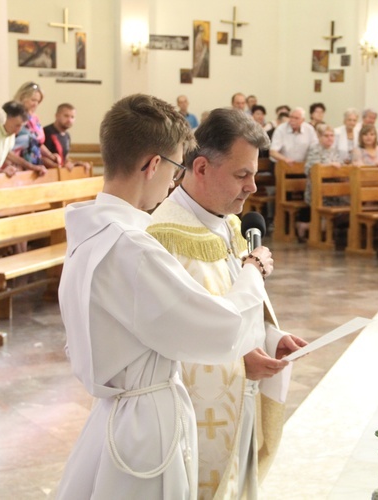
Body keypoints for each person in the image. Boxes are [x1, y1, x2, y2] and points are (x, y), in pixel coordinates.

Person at [55, 94, 269, 498]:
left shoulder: (90, 233)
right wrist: (253, 273)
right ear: (154, 164)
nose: (174, 181)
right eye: (174, 168)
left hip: (114, 415)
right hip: (145, 428)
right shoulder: (130, 247)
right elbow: (219, 328)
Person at [148, 108, 306, 498]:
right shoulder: (163, 238)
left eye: (254, 173)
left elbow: (239, 300)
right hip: (197, 413)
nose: (253, 187)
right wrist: (236, 359)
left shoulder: (230, 223)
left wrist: (270, 335)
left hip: (242, 396)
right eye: (242, 174)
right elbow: (172, 340)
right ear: (200, 168)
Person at [10, 81, 59, 174]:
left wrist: (50, 155)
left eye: (38, 101)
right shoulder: (14, 117)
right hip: (17, 163)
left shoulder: (35, 118)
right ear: (22, 97)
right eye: (33, 100)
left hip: (34, 163)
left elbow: (37, 142)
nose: (35, 104)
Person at [43, 103, 92, 172]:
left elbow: (64, 158)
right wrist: (61, 167)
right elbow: (41, 157)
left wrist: (77, 163)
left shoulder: (67, 136)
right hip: (48, 174)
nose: (69, 120)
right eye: (66, 116)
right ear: (56, 116)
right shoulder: (46, 132)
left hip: (61, 173)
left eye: (72, 117)